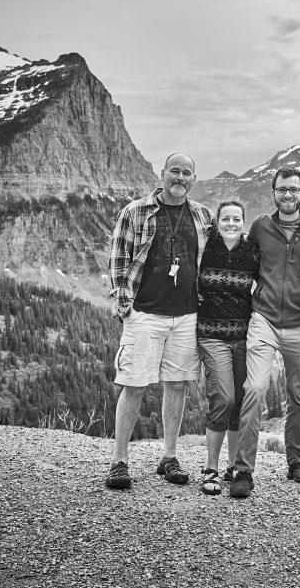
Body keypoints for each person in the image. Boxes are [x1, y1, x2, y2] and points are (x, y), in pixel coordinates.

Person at [104, 152, 213, 490]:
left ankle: (169, 457)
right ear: (162, 174)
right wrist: (127, 310)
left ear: (194, 179)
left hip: (186, 315)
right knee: (134, 384)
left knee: (177, 385)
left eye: (187, 173)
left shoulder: (201, 215)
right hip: (146, 313)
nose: (180, 178)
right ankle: (119, 461)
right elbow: (119, 263)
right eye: (175, 171)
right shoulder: (135, 212)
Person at [228, 166, 300, 499]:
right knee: (255, 388)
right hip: (264, 319)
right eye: (282, 189)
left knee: (298, 395)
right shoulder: (260, 227)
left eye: (294, 190)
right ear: (274, 192)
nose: (288, 195)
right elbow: (247, 264)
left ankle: (296, 461)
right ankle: (243, 470)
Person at [196, 200, 259, 495]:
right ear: (217, 221)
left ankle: (233, 466)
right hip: (211, 334)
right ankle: (210, 467)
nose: (231, 223)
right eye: (226, 219)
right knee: (223, 397)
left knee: (240, 401)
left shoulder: (252, 251)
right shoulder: (205, 246)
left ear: (243, 222)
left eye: (236, 219)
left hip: (244, 335)